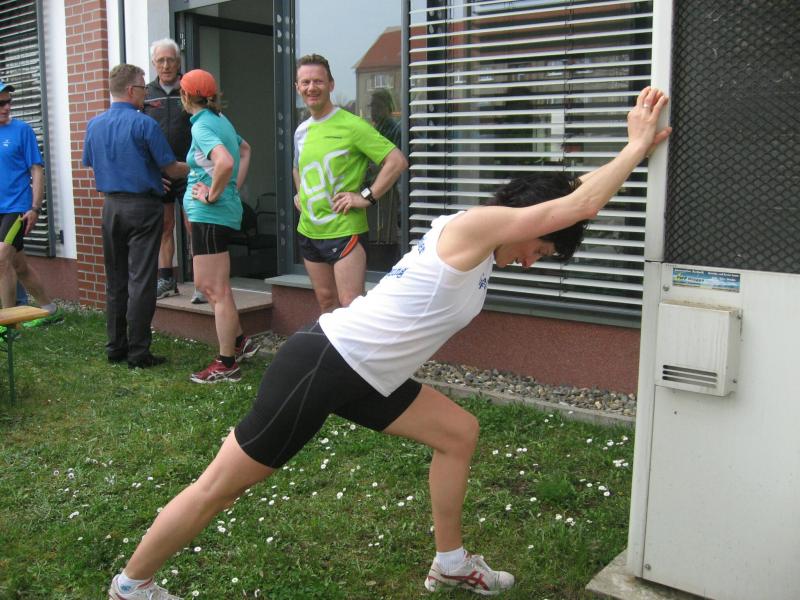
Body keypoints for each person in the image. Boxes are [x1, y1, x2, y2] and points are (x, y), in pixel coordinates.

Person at [107, 87, 671, 599]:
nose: (530, 262)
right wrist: (634, 147)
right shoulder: (475, 226)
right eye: (540, 251)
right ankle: (132, 585)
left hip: (365, 374)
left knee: (458, 432)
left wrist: (630, 155)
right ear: (528, 221)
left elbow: (572, 199)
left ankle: (450, 563)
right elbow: (578, 206)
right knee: (219, 488)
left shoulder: (485, 240)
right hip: (324, 363)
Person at [83, 64, 188, 368]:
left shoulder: (94, 124)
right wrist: (196, 165)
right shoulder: (145, 124)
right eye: (143, 87)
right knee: (141, 279)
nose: (146, 93)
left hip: (111, 207)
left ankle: (116, 346)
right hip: (143, 208)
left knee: (115, 278)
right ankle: (139, 352)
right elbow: (171, 168)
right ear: (131, 90)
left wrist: (145, 173)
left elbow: (94, 162)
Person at [293, 54, 408, 313]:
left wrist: (366, 196)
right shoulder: (301, 130)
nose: (312, 87)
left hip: (345, 230)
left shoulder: (352, 125)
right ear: (297, 87)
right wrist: (300, 193)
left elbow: (396, 161)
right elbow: (296, 167)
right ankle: (333, 343)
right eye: (305, 82)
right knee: (326, 302)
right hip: (309, 231)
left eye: (318, 81)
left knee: (352, 307)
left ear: (331, 85)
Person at [177, 69, 260, 384]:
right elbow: (245, 149)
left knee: (213, 288)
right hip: (218, 213)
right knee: (212, 285)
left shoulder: (202, 125)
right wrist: (231, 188)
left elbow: (225, 161)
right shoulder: (220, 120)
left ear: (185, 96)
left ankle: (227, 364)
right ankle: (239, 342)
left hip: (210, 215)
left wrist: (213, 194)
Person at [0, 79, 64, 327]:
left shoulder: (22, 130)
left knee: (2, 259)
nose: (7, 107)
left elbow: (37, 170)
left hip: (17, 208)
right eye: (1, 104)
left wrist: (35, 207)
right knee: (20, 266)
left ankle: (7, 324)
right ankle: (50, 309)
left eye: (9, 102)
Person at [143, 38, 200, 302]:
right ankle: (166, 280)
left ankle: (202, 282)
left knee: (193, 224)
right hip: (161, 173)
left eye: (171, 60)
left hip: (189, 170)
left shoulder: (190, 88)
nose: (166, 65)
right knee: (165, 226)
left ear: (178, 62)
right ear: (154, 63)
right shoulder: (145, 93)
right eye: (161, 60)